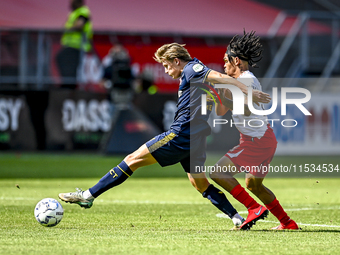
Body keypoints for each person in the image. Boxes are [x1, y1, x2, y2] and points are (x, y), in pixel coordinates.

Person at [58, 43, 271, 229]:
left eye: (167, 65)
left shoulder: (191, 69)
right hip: (195, 140)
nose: (167, 71)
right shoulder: (194, 74)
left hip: (180, 135)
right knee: (200, 184)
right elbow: (218, 90)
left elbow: (220, 76)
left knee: (131, 160)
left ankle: (88, 196)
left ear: (177, 61)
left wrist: (248, 92)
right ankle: (240, 215)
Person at [209, 31, 299, 230]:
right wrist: (219, 92)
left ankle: (253, 208)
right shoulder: (238, 81)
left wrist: (222, 90)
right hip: (262, 139)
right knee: (253, 185)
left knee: (217, 172)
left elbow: (246, 108)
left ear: (236, 60)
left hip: (256, 140)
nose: (223, 65)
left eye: (226, 61)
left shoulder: (247, 79)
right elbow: (221, 110)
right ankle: (288, 223)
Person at [56, 0, 93, 89]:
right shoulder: (74, 13)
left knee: (67, 64)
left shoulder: (83, 11)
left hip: (77, 46)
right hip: (71, 45)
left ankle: (69, 86)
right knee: (61, 59)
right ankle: (67, 84)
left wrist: (67, 29)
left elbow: (79, 25)